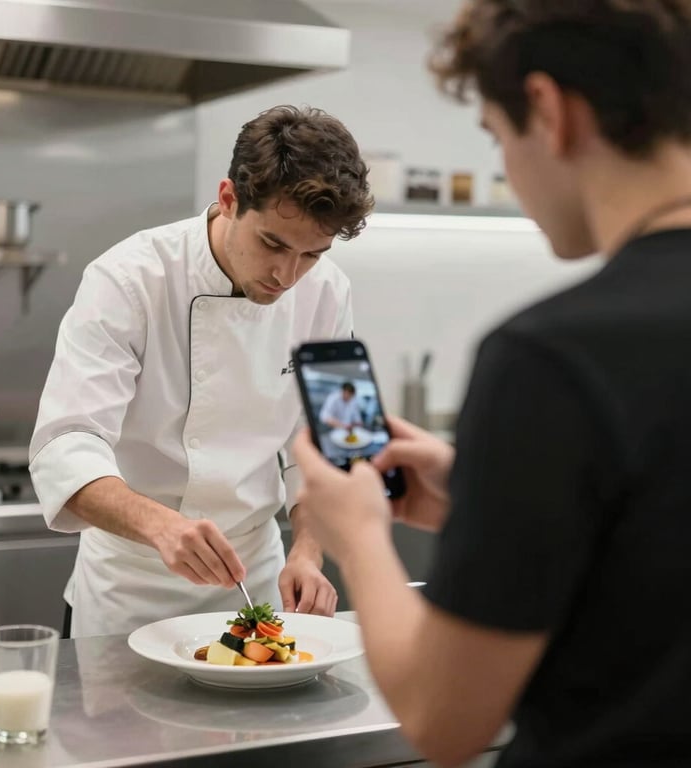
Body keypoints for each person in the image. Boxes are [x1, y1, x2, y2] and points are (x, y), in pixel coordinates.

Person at [294, 2, 691, 767]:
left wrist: (358, 534)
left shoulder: (551, 357)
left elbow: (446, 722)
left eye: (496, 136)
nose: (508, 163)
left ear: (548, 110)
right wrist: (490, 500)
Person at [29, 105, 373, 638]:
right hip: (130, 589)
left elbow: (338, 444)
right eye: (273, 244)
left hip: (254, 584)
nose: (287, 275)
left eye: (311, 254)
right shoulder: (127, 279)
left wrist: (308, 551)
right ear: (229, 199)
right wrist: (161, 526)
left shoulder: (330, 292)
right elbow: (64, 445)